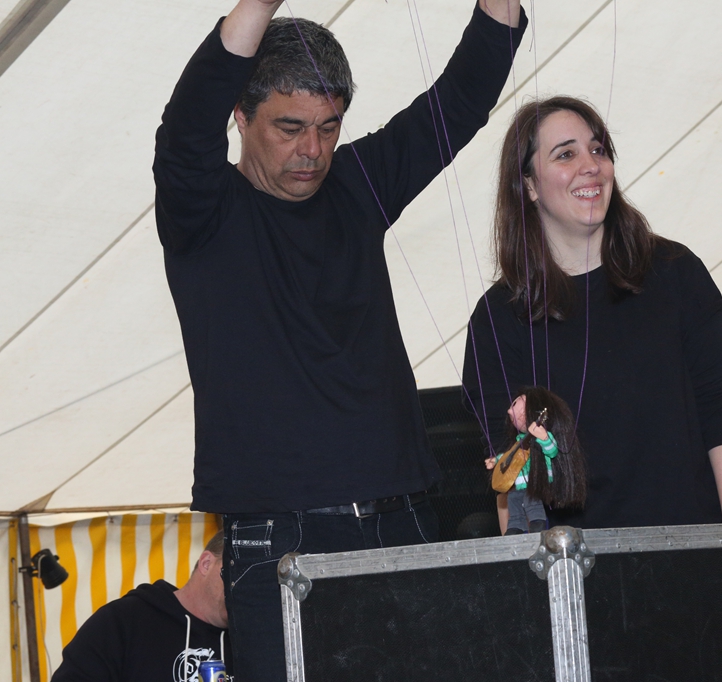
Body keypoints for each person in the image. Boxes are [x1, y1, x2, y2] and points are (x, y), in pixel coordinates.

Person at [152, 1, 526, 679]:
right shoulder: (201, 207)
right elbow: (187, 119)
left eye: (329, 127)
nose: (312, 150)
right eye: (289, 127)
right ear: (241, 116)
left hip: (406, 521)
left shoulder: (358, 183)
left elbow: (460, 100)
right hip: (280, 539)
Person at [462, 96, 722, 531]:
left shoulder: (675, 272)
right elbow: (510, 470)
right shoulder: (498, 318)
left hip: (694, 547)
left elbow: (721, 406)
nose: (591, 165)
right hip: (575, 562)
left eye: (598, 150)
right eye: (566, 154)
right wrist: (524, 563)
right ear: (529, 186)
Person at [51, 532, 229, 682]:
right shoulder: (123, 622)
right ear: (206, 564)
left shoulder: (245, 637)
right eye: (237, 572)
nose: (242, 588)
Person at [487, 387, 587, 534]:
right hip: (517, 483)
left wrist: (544, 438)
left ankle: (537, 522)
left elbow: (552, 451)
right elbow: (509, 455)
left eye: (516, 405)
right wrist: (495, 461)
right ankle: (515, 526)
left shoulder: (540, 436)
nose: (509, 411)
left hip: (534, 480)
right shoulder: (520, 440)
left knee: (531, 501)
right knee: (513, 502)